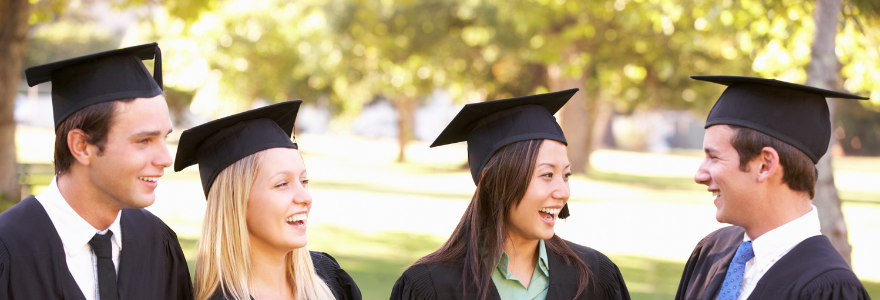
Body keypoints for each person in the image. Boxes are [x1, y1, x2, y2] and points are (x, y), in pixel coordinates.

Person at [390, 89, 630, 300]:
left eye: (566, 175)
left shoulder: (595, 278)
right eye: (547, 175)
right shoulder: (431, 288)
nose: (563, 191)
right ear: (493, 182)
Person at [0, 43, 192, 299]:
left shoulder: (158, 244)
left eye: (164, 138)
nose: (166, 159)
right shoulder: (8, 248)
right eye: (144, 140)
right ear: (82, 147)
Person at [675, 76, 872, 300]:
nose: (699, 175)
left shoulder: (829, 289)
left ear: (765, 165)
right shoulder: (713, 251)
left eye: (714, 157)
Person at [174, 100, 361, 300]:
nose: (306, 197)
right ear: (236, 203)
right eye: (282, 184)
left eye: (304, 181)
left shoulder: (328, 278)